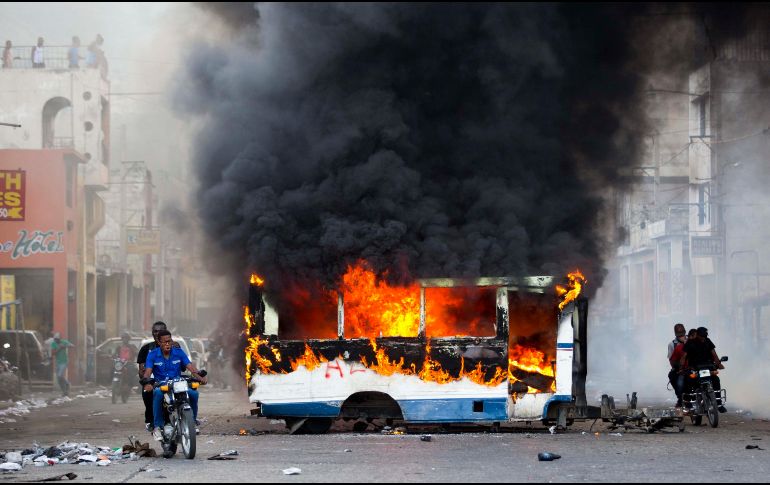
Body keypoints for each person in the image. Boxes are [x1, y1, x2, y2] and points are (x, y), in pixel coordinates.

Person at [142, 329, 207, 441]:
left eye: (169, 341)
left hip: (178, 383)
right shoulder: (152, 355)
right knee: (157, 393)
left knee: (194, 394)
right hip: (162, 384)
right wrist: (146, 382)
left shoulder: (179, 352)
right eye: (164, 342)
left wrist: (200, 378)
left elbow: (191, 368)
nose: (168, 344)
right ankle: (157, 427)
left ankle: (192, 421)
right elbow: (148, 372)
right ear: (159, 342)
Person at [137, 321, 176, 432]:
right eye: (155, 331)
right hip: (155, 382)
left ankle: (189, 420)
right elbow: (142, 371)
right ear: (152, 333)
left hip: (172, 380)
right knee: (147, 392)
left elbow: (184, 364)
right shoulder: (146, 349)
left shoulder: (175, 347)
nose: (157, 333)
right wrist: (146, 379)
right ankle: (151, 421)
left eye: (160, 331)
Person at [679, 326, 726, 413]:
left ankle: (719, 404)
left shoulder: (708, 341)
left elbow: (714, 354)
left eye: (705, 336)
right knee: (687, 381)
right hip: (695, 369)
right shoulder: (690, 343)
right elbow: (684, 356)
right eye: (702, 336)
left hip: (708, 369)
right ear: (697, 335)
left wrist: (719, 364)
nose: (703, 338)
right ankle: (689, 405)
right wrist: (681, 368)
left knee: (716, 380)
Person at [667, 324, 688, 407]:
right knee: (673, 378)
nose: (681, 336)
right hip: (681, 368)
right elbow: (671, 360)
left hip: (694, 366)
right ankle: (680, 398)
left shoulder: (691, 340)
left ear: (685, 332)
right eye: (679, 334)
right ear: (675, 334)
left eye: (682, 333)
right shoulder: (672, 344)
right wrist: (677, 368)